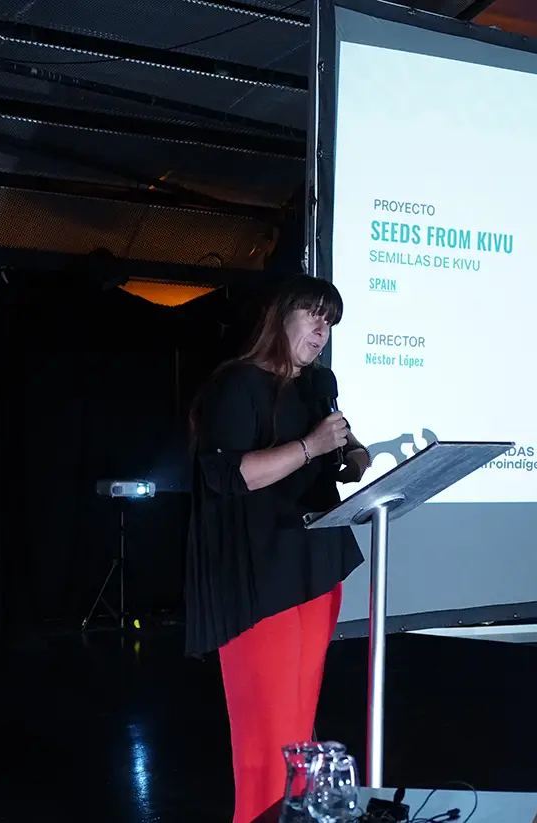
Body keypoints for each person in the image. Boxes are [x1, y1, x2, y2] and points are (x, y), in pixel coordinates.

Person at [185, 274, 370, 823]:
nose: (322, 330)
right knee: (265, 739)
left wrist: (353, 454)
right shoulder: (236, 384)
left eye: (330, 322)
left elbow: (340, 439)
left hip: (313, 567)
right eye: (313, 315)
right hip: (257, 575)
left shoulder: (318, 384)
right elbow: (231, 473)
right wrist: (311, 446)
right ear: (279, 316)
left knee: (298, 732)